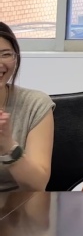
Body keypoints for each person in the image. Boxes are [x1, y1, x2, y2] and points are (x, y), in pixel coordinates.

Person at [0, 23, 54, 191]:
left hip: (19, 204)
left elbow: (38, 184)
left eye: (5, 54)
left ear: (16, 58)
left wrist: (8, 146)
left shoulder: (36, 105)